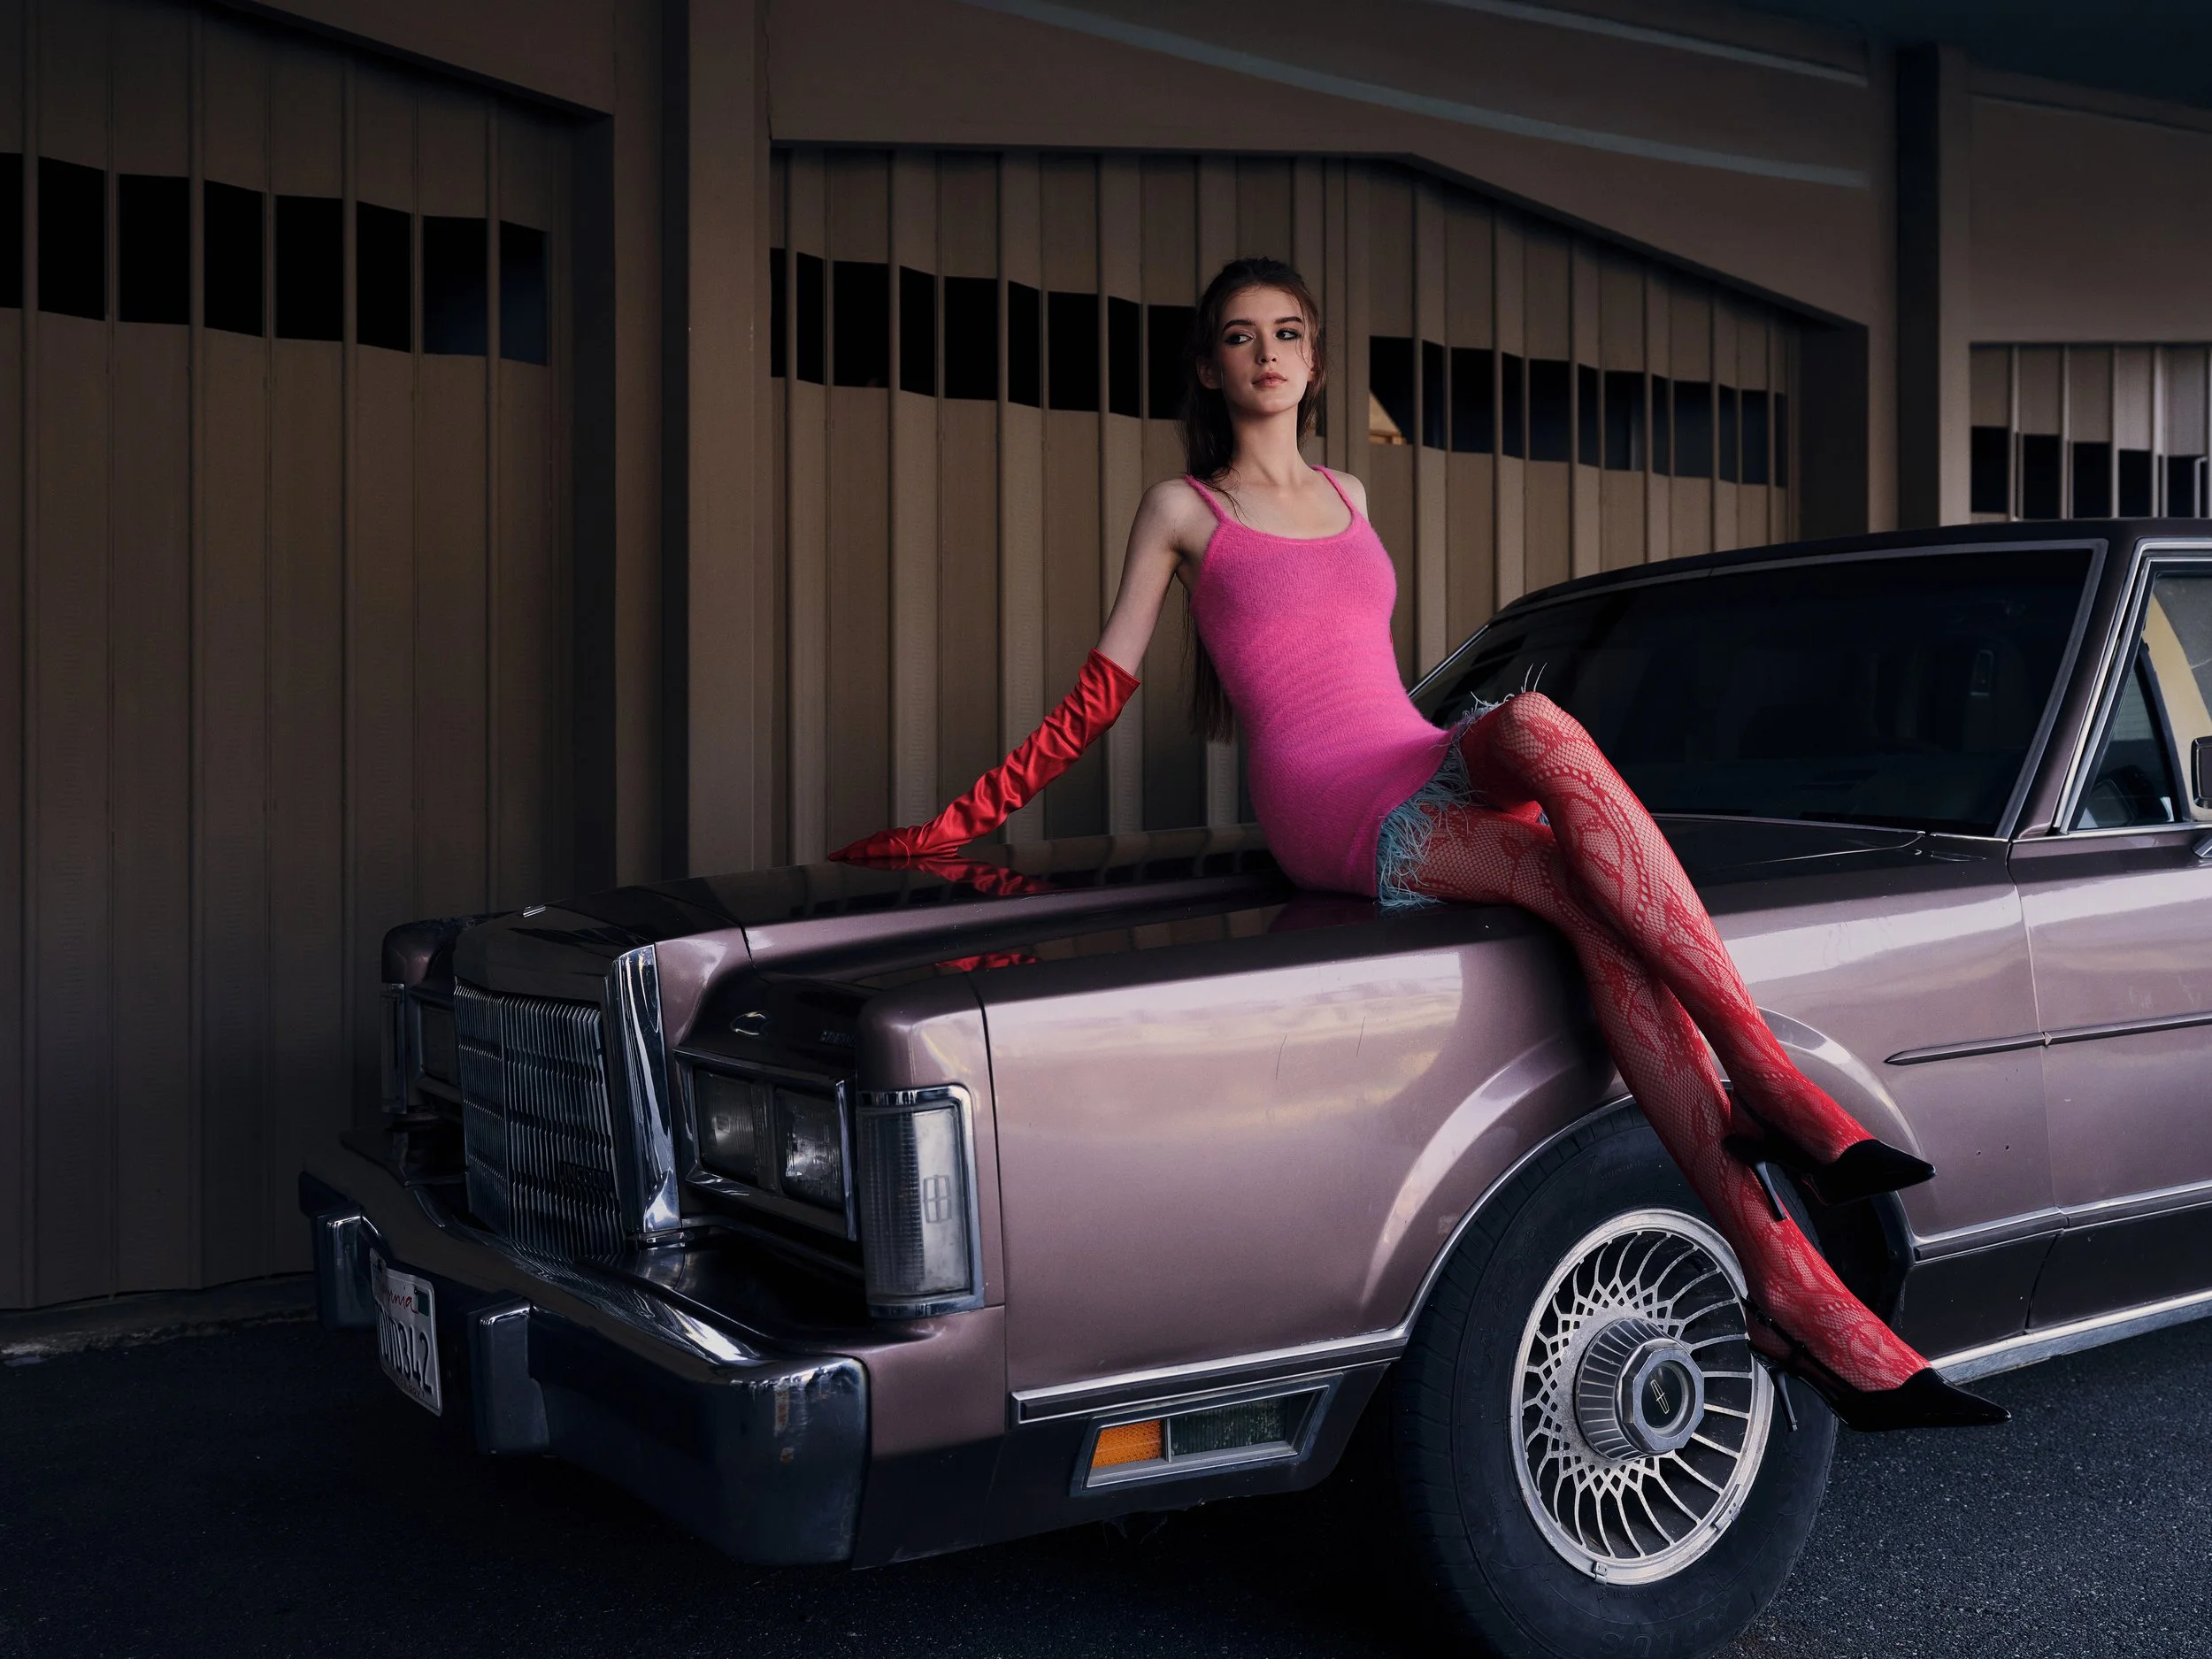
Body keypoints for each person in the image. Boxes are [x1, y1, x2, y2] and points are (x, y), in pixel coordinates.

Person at [833, 256, 2005, 1432]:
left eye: (1288, 332)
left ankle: (1789, 1272)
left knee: (1556, 792)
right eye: (1239, 337)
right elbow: (1101, 689)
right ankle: (1761, 1086)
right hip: (1326, 798)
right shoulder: (1186, 508)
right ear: (1208, 367)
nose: (1267, 352)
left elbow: (1371, 676)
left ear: (1318, 359)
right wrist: (956, 824)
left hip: (1408, 746)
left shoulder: (1350, 489)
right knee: (1563, 833)